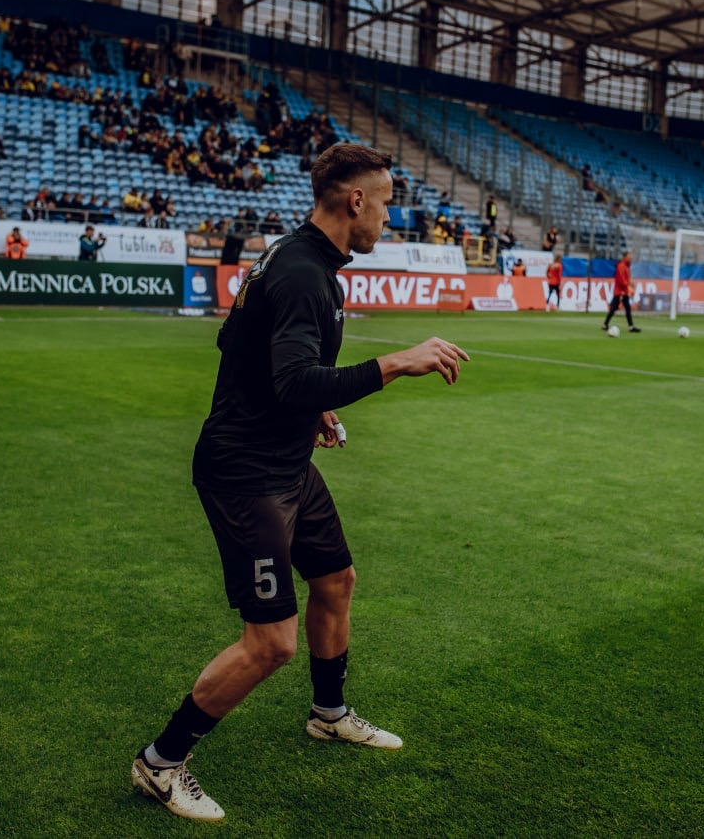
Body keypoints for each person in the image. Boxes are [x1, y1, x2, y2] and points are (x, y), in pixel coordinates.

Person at [131, 143, 470, 822]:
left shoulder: (297, 257)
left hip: (288, 462)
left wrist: (313, 410)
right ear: (355, 200)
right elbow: (290, 378)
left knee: (336, 579)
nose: (389, 216)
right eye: (385, 202)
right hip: (246, 471)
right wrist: (396, 363)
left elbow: (240, 347)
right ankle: (159, 763)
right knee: (271, 642)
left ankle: (329, 713)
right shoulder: (301, 273)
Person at [602, 251, 640, 333]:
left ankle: (630, 326)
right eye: (629, 256)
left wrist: (628, 286)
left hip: (623, 291)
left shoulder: (626, 266)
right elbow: (621, 280)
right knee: (614, 308)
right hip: (620, 291)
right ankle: (605, 324)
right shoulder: (621, 266)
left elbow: (624, 279)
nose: (631, 258)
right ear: (625, 257)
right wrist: (628, 287)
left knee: (626, 308)